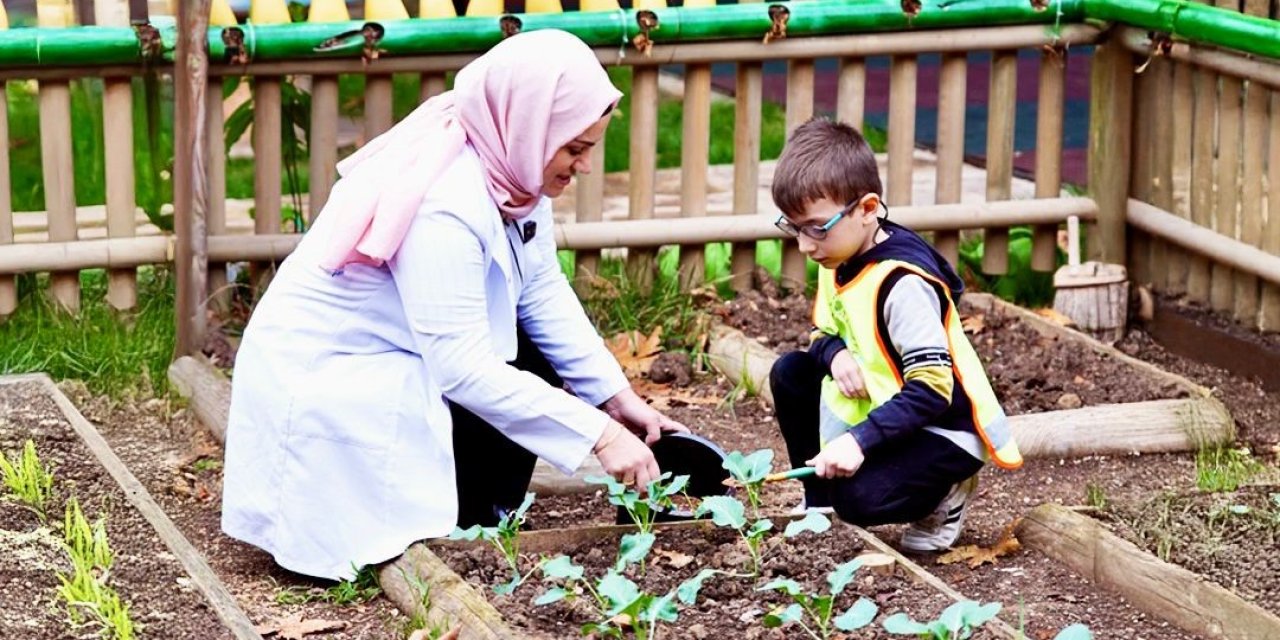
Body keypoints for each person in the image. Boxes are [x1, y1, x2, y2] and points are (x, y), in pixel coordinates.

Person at [221, 30, 687, 581]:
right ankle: (463, 531)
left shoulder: (508, 169)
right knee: (501, 368)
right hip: (336, 378)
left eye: (588, 148)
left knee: (527, 352)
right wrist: (599, 437)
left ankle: (479, 524)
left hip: (402, 352)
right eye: (575, 149)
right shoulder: (443, 203)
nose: (584, 166)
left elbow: (540, 288)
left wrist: (614, 397)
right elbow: (463, 369)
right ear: (529, 127)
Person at [767, 117, 1022, 552]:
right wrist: (835, 355)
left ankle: (944, 494)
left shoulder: (902, 285)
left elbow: (931, 392)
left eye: (815, 227)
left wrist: (858, 440)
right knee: (791, 372)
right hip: (886, 404)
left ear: (867, 209)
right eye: (793, 228)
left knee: (858, 499)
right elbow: (821, 331)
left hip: (942, 429)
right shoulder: (839, 253)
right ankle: (819, 508)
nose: (804, 246)